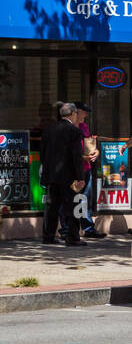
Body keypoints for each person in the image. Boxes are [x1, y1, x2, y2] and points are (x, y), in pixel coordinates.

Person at [41, 102, 87, 246]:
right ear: (73, 114)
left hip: (52, 176)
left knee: (51, 207)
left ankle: (48, 236)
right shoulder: (74, 131)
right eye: (76, 114)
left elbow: (43, 153)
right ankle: (72, 237)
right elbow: (76, 157)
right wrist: (80, 177)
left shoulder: (49, 129)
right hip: (69, 177)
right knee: (74, 206)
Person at [61, 102, 105, 239]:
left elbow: (88, 145)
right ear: (76, 112)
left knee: (84, 199)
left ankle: (88, 228)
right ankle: (66, 230)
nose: (86, 115)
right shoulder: (66, 128)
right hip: (71, 170)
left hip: (85, 168)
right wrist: (83, 158)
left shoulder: (84, 127)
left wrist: (95, 152)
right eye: (84, 112)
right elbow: (65, 152)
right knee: (68, 200)